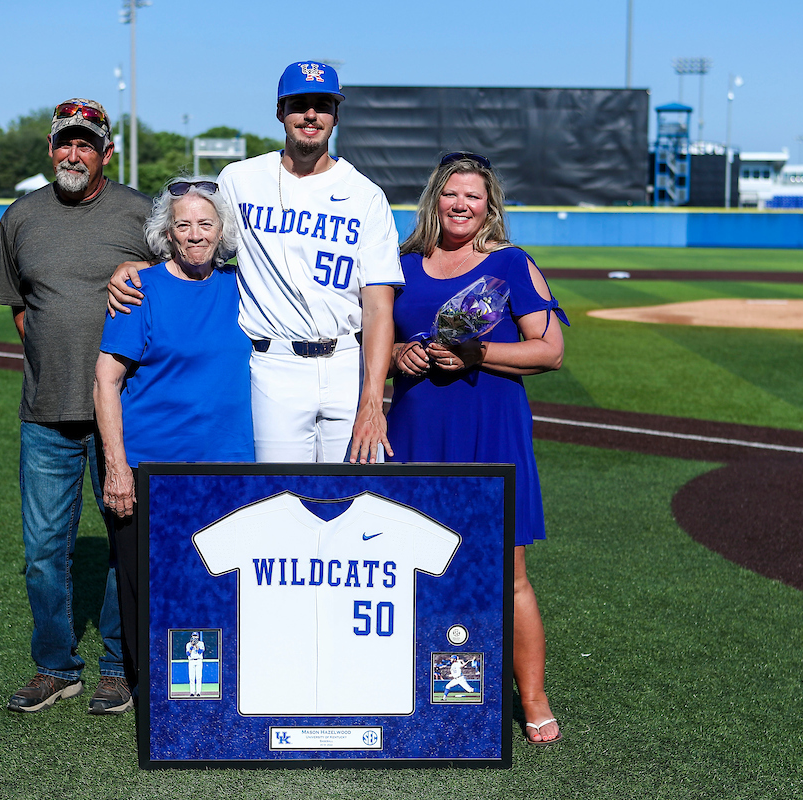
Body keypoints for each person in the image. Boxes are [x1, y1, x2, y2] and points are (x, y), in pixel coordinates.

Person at [108, 61, 402, 465]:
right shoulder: (240, 179)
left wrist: (372, 401)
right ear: (280, 112)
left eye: (322, 105)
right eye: (299, 104)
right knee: (278, 501)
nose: (310, 115)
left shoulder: (366, 196)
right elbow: (200, 244)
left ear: (336, 115)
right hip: (274, 363)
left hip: (346, 365)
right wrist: (140, 267)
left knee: (353, 498)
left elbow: (378, 307)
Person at [386, 152, 567, 745]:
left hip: (492, 430)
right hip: (418, 429)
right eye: (451, 194)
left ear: (490, 205)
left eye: (474, 196)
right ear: (433, 198)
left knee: (506, 573)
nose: (462, 205)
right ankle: (421, 689)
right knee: (420, 569)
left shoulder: (511, 263)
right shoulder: (400, 265)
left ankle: (532, 699)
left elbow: (549, 350)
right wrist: (396, 357)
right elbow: (372, 346)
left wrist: (478, 355)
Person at [0, 98, 155, 714]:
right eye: (65, 142)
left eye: (86, 143)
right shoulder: (21, 217)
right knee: (41, 551)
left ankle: (116, 665)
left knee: (123, 542)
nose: (74, 154)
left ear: (106, 152)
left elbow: (179, 287)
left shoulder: (141, 213)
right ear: (51, 149)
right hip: (46, 413)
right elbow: (20, 310)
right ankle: (56, 665)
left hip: (125, 413)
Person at [94, 176, 253, 693]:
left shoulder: (244, 287)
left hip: (225, 468)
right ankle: (154, 697)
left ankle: (210, 694)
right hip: (151, 468)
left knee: (215, 587)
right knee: (146, 589)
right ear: (167, 233)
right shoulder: (142, 289)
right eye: (182, 224)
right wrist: (117, 469)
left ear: (222, 231)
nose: (195, 234)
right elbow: (106, 379)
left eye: (206, 223)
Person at [186, 632, 205, 696]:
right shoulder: (188, 644)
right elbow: (188, 654)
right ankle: (192, 692)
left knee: (199, 677)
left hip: (198, 660)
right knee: (191, 677)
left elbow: (200, 652)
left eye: (196, 636)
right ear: (191, 636)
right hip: (191, 660)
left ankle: (198, 692)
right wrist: (192, 646)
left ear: (198, 637)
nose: (194, 637)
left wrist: (196, 645)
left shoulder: (201, 643)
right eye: (193, 636)